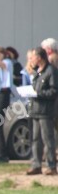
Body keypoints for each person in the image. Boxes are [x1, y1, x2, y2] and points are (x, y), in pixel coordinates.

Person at [26, 47, 58, 176]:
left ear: (39, 57)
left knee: (47, 139)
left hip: (46, 112)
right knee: (35, 139)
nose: (31, 59)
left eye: (33, 57)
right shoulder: (37, 71)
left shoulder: (51, 71)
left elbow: (53, 91)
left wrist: (38, 94)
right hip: (35, 110)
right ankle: (36, 165)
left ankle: (51, 166)